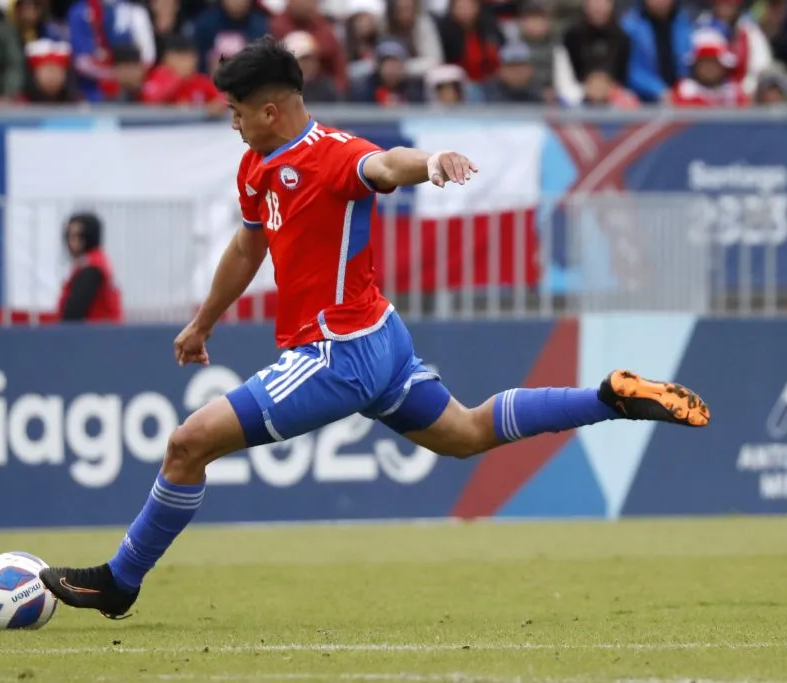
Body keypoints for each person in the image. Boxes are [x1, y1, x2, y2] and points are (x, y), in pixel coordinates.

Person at [38, 35, 711, 619]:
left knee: (188, 443)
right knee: (466, 433)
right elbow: (248, 248)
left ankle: (120, 581)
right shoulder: (255, 165)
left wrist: (432, 162)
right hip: (379, 337)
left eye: (237, 111)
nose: (232, 123)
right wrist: (201, 323)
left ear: (270, 110)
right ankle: (608, 398)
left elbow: (384, 164)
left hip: (336, 353)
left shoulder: (333, 156)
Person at [56, 212, 122, 323]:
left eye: (78, 236)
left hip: (97, 331)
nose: (72, 242)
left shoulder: (91, 268)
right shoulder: (95, 262)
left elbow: (73, 313)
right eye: (69, 236)